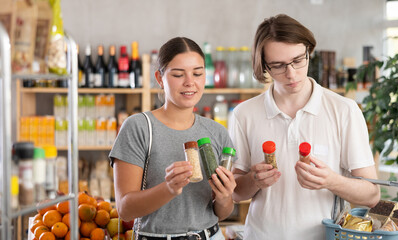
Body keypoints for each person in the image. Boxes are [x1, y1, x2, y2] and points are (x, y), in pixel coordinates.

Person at [229, 14, 380, 239]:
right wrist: (252, 180)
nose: (291, 74)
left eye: (298, 60)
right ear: (264, 66)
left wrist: (331, 181)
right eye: (278, 66)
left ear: (309, 51)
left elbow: (372, 195)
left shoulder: (344, 110)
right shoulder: (244, 114)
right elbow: (235, 194)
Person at [109, 37, 236, 240]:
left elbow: (223, 212)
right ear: (160, 78)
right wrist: (168, 188)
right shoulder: (139, 127)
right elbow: (125, 209)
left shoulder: (216, 132)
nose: (190, 82)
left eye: (198, 73)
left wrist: (224, 196)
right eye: (178, 74)